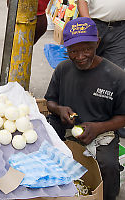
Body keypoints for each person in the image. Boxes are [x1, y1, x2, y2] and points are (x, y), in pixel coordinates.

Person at [44, 17, 125, 200]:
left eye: (87, 49)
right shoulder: (63, 69)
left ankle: (108, 195)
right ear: (66, 48)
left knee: (108, 166)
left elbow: (123, 116)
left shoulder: (117, 76)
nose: (80, 56)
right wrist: (60, 110)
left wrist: (99, 127)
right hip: (66, 129)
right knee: (44, 151)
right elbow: (50, 102)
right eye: (73, 51)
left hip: (102, 132)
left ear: (97, 43)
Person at [77, 0, 125, 137]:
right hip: (95, 24)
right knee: (85, 70)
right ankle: (78, 116)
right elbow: (82, 1)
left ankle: (113, 123)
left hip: (121, 30)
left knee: (115, 76)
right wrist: (89, 27)